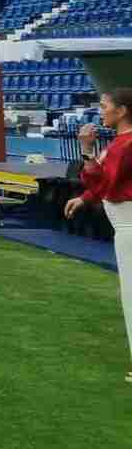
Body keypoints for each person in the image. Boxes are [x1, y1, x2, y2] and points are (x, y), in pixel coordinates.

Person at [62, 87, 132, 384]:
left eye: (105, 106)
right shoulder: (120, 144)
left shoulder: (124, 145)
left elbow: (108, 183)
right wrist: (85, 197)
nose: (101, 111)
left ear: (122, 110)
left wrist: (87, 152)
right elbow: (104, 183)